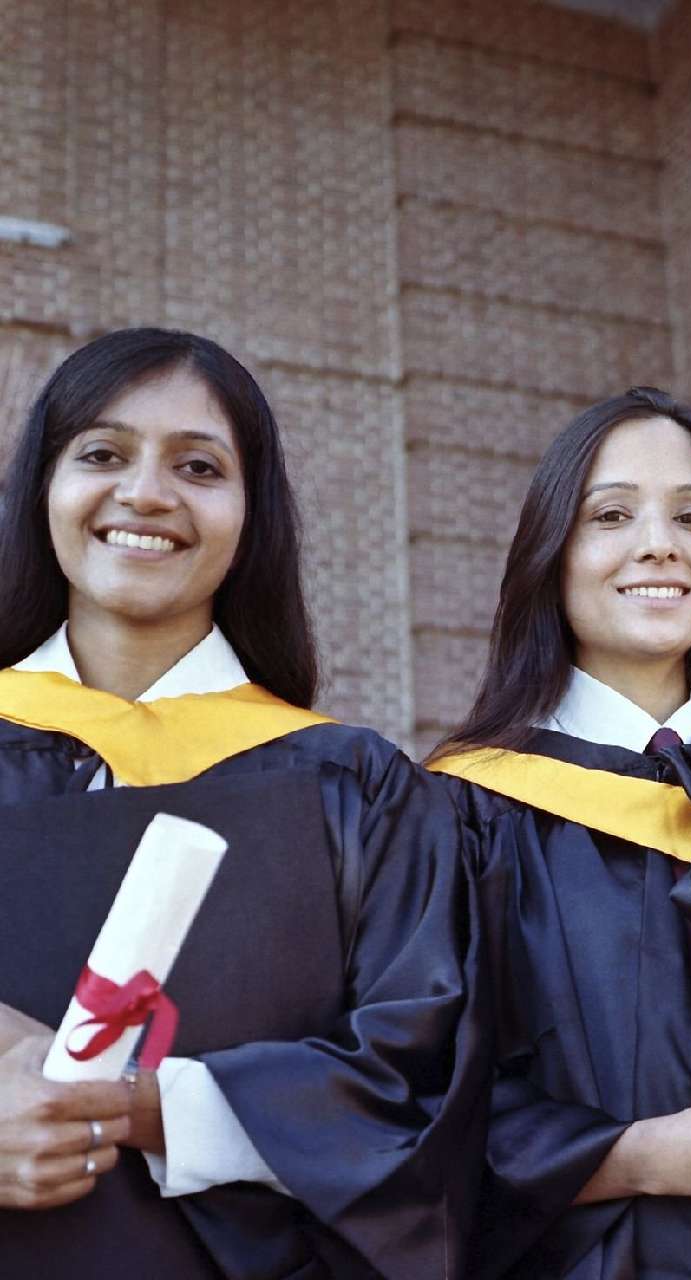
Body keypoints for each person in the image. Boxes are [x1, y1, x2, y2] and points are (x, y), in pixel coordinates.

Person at [0, 327, 486, 1279]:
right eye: (101, 455)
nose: (146, 493)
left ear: (252, 515)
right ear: (41, 489)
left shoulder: (356, 788)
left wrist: (143, 1108)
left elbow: (423, 1083)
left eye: (199, 467)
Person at [428, 386, 691, 1278]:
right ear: (551, 555)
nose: (660, 544)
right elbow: (412, 1104)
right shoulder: (463, 816)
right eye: (611, 516)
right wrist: (650, 1156)